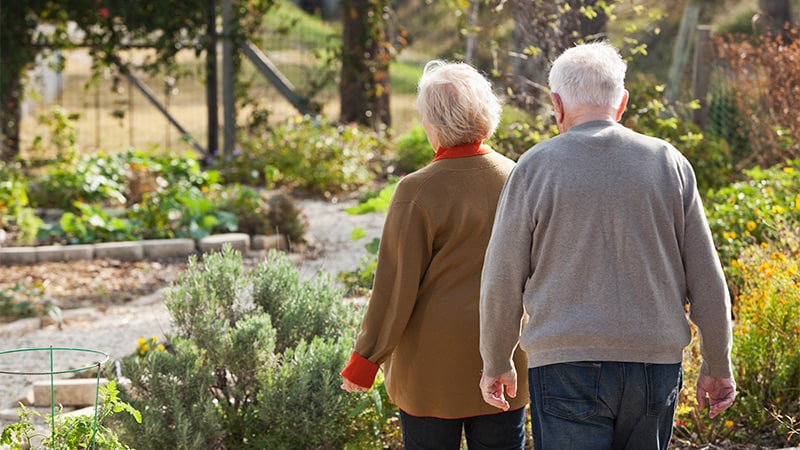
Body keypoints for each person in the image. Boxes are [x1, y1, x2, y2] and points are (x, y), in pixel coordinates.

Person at [478, 41, 736, 450]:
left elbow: (502, 278)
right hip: (654, 363)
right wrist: (718, 363)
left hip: (564, 364)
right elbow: (706, 277)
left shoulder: (534, 167)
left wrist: (496, 360)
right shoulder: (668, 163)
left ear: (556, 104)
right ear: (622, 103)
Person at [340, 60, 529, 449]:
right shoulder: (521, 178)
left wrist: (365, 362)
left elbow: (393, 289)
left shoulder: (417, 191)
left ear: (434, 123)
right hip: (507, 357)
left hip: (430, 370)